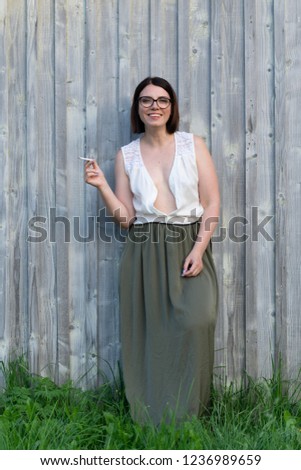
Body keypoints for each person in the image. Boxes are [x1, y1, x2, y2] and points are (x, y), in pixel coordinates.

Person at [84, 76, 219, 425]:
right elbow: (126, 219)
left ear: (172, 107)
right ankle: (154, 417)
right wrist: (102, 187)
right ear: (138, 109)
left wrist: (199, 249)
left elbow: (212, 203)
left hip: (189, 243)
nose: (154, 106)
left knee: (196, 319)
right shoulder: (126, 155)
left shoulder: (193, 145)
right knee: (152, 335)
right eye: (146, 100)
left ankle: (191, 415)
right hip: (144, 250)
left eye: (162, 100)